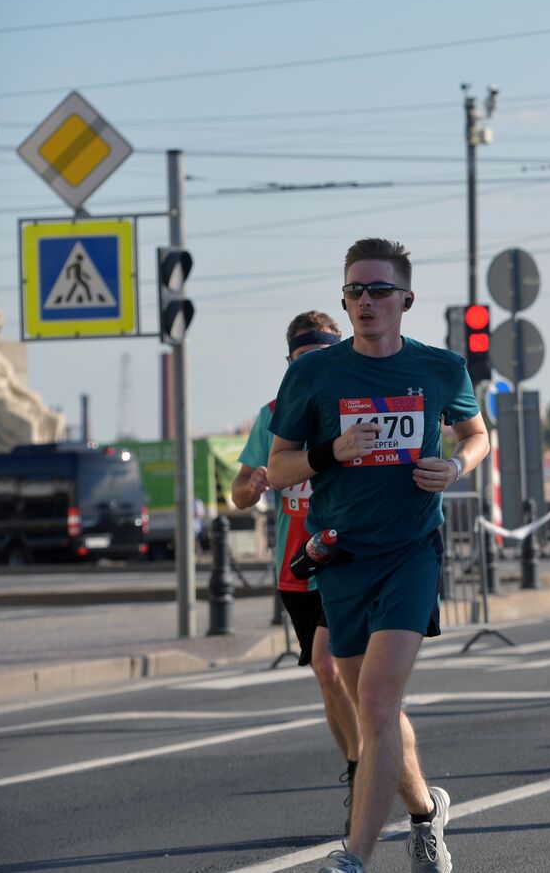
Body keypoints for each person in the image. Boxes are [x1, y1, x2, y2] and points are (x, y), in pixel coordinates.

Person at [267, 238, 488, 873]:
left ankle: (354, 857)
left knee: (377, 703)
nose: (365, 302)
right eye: (354, 291)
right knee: (372, 704)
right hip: (341, 556)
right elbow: (278, 467)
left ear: (406, 299)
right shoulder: (314, 373)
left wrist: (455, 465)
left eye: (378, 291)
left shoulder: (441, 368)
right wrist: (331, 452)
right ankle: (425, 814)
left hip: (411, 551)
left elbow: (477, 434)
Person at [232, 311, 360, 829]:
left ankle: (364, 767)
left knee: (331, 666)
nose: (311, 369)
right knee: (325, 675)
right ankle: (358, 762)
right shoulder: (272, 415)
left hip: (346, 558)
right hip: (295, 567)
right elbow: (238, 494)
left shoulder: (351, 410)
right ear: (288, 364)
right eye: (302, 361)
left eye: (322, 358)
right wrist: (256, 483)